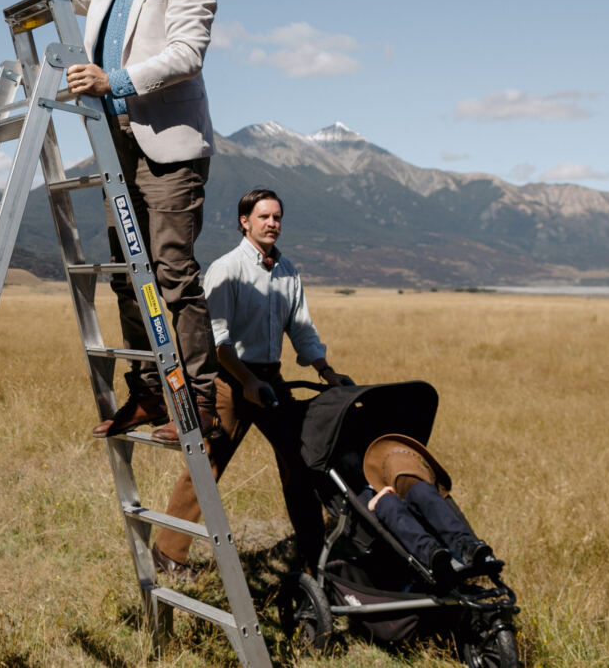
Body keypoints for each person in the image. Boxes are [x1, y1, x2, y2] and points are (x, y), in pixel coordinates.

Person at [32, 0, 219, 443]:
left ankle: (203, 404)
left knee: (171, 272)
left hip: (167, 144)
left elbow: (187, 54)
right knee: (125, 273)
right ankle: (148, 396)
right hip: (113, 141)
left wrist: (110, 79)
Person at [152, 189, 352, 576]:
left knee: (301, 462)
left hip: (270, 379)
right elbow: (216, 337)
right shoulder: (226, 269)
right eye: (264, 217)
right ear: (244, 221)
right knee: (207, 462)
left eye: (277, 217)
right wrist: (244, 380)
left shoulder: (288, 270)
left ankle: (314, 561)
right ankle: (168, 556)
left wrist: (327, 372)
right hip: (229, 379)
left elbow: (302, 328)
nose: (272, 223)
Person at [359, 433, 501, 583]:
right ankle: (433, 554)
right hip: (397, 525)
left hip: (421, 508)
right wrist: (375, 501)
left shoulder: (419, 488)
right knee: (387, 502)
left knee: (422, 490)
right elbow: (361, 508)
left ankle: (467, 547)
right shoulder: (369, 493)